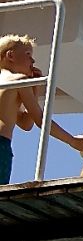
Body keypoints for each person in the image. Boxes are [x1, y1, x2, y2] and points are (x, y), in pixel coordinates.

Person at [0, 35, 44, 185]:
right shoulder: (18, 80)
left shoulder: (5, 85)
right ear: (10, 55)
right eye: (28, 55)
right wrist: (72, 141)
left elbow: (26, 123)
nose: (33, 61)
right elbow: (39, 119)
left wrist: (34, 88)